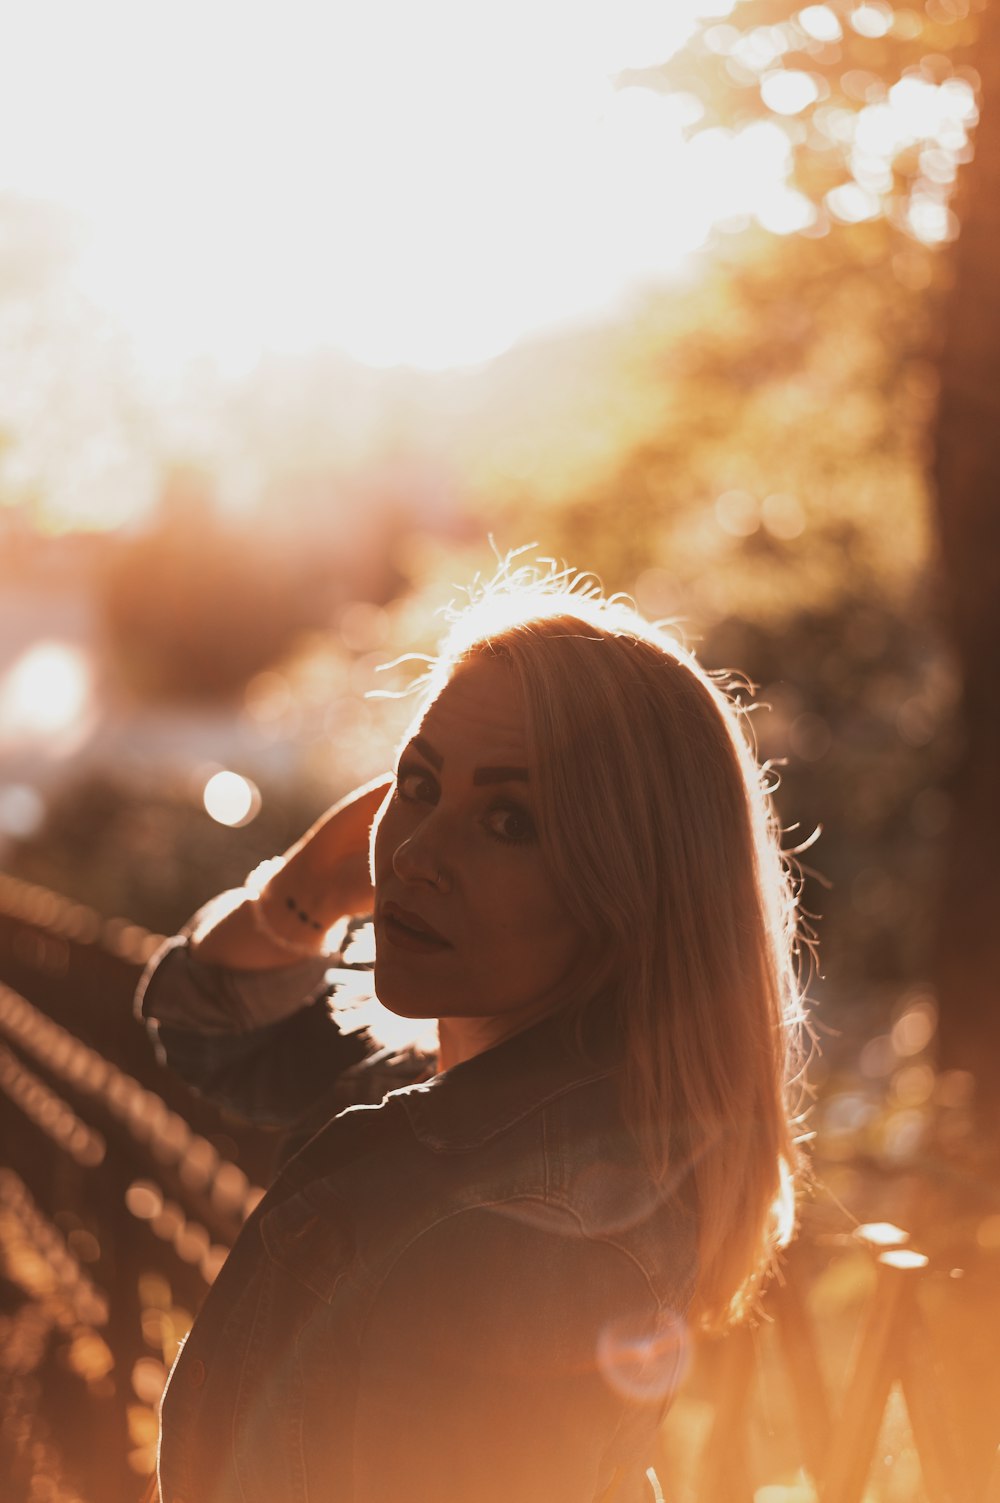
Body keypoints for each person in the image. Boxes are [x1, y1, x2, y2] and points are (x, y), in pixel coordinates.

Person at [136, 560, 810, 1503]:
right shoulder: (468, 1079)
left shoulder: (502, 1237)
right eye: (417, 783)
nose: (413, 855)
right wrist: (313, 888)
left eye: (510, 818)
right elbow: (202, 1022)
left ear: (627, 888)